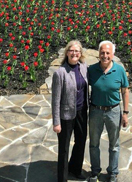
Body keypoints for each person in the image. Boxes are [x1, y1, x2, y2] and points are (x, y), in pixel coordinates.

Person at [88, 41, 129, 182]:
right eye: (102, 52)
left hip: (114, 111)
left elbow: (125, 90)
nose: (105, 55)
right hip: (95, 111)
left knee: (114, 145)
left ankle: (113, 172)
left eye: (108, 53)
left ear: (113, 54)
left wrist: (125, 113)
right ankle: (95, 171)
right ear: (98, 54)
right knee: (94, 143)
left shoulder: (119, 70)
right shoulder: (91, 70)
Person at [51, 40, 89, 182]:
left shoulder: (84, 67)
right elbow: (55, 100)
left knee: (81, 142)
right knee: (64, 148)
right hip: (66, 116)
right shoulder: (60, 73)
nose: (74, 53)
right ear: (67, 52)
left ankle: (75, 169)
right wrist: (56, 122)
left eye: (77, 51)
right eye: (72, 51)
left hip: (81, 112)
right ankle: (62, 178)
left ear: (80, 54)